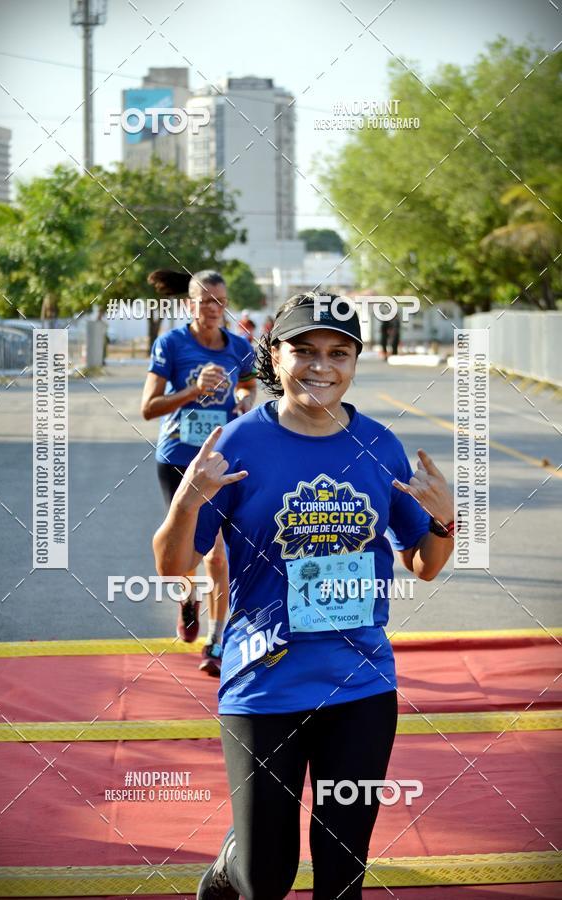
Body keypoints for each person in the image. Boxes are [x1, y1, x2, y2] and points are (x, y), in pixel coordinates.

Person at [153, 292, 455, 898]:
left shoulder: (379, 445)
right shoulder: (237, 443)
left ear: (355, 362)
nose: (322, 366)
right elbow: (172, 567)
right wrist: (188, 498)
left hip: (361, 684)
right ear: (275, 354)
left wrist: (447, 520)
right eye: (305, 351)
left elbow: (423, 565)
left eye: (338, 353)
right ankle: (230, 866)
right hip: (263, 681)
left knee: (343, 875)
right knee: (266, 876)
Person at [142, 270, 257, 676]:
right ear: (190, 305)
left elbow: (247, 386)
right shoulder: (172, 343)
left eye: (220, 301)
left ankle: (217, 639)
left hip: (221, 462)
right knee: (184, 551)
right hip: (177, 459)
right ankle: (188, 599)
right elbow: (148, 407)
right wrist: (194, 391)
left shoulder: (240, 347)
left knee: (218, 555)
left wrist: (243, 402)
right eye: (206, 301)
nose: (213, 309)